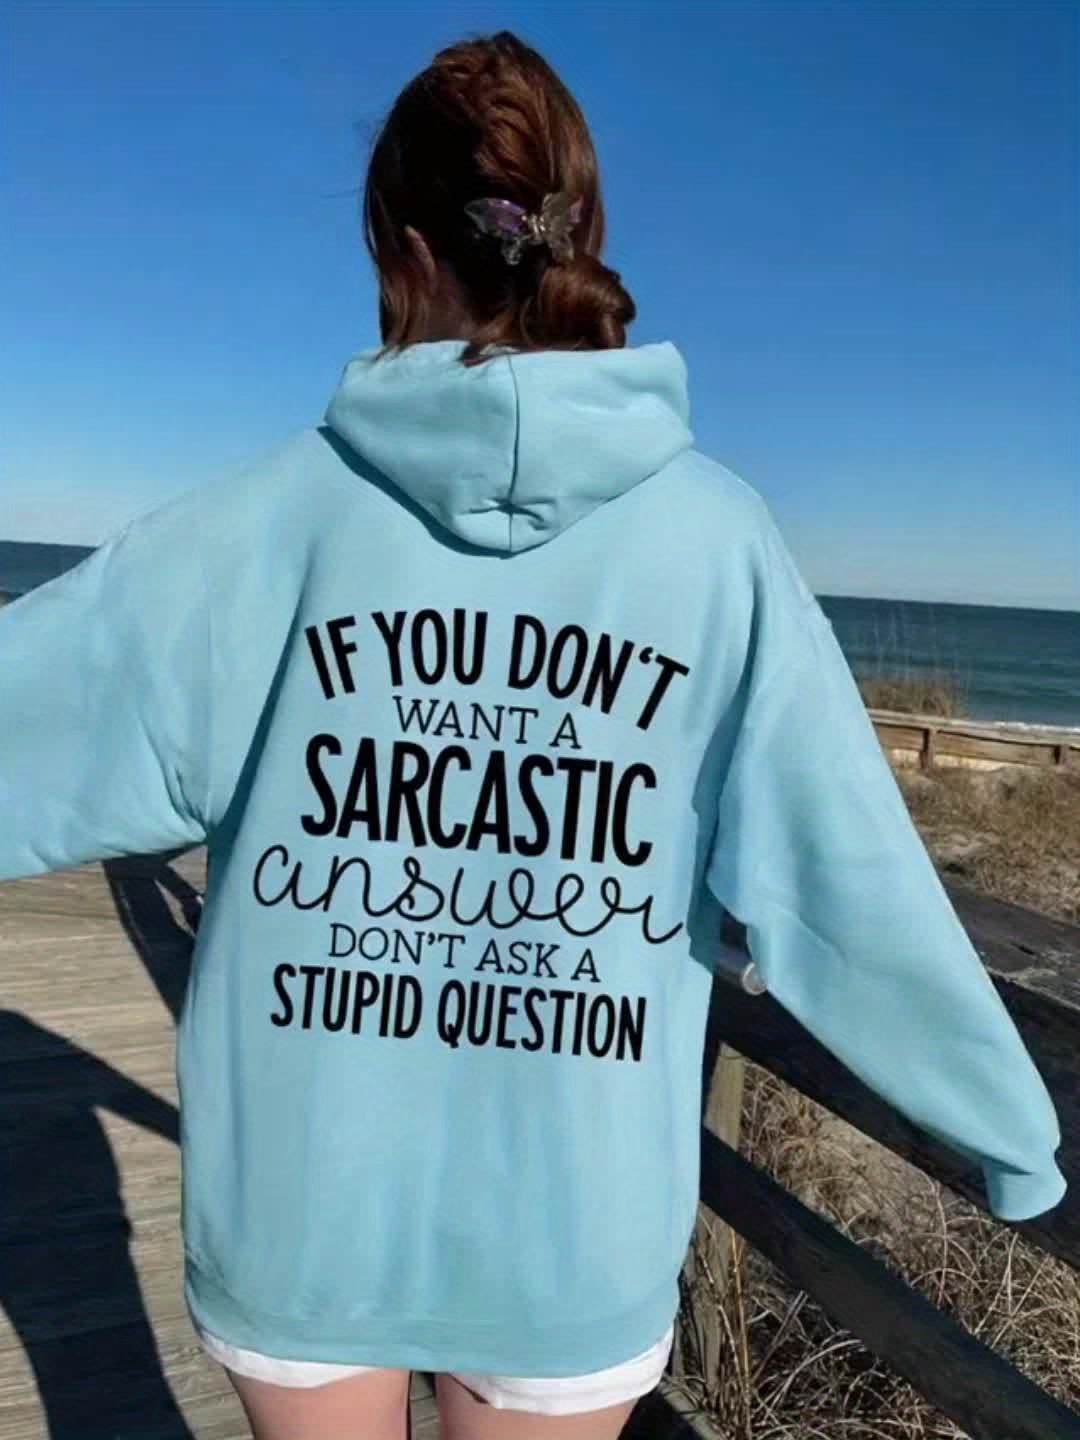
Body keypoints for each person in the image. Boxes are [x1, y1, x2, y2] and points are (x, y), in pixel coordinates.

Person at [0, 29, 1067, 1440]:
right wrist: (1010, 1133)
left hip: (300, 1215)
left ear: (399, 248)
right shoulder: (720, 548)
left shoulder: (252, 530)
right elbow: (849, 885)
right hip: (575, 1234)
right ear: (581, 233)